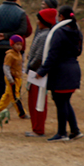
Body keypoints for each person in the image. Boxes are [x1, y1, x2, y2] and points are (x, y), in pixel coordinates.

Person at [36, 5, 83, 142]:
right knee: (65, 101)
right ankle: (75, 130)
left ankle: (62, 133)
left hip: (61, 72)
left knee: (61, 103)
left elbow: (53, 54)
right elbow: (78, 51)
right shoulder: (77, 31)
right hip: (73, 69)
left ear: (61, 17)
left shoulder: (59, 32)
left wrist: (42, 71)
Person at [0, 0, 32, 110]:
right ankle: (15, 97)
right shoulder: (21, 12)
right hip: (15, 48)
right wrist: (10, 36)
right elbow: (23, 30)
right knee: (16, 73)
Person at [24, 8, 56, 137]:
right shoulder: (45, 34)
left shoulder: (44, 36)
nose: (37, 22)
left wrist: (30, 67)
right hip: (38, 73)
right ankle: (36, 127)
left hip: (37, 73)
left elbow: (38, 57)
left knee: (37, 101)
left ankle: (38, 128)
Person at [0, 35, 27, 118]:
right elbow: (6, 67)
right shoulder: (10, 55)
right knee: (15, 96)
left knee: (8, 95)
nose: (19, 46)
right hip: (12, 78)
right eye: (17, 44)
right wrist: (10, 79)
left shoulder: (19, 54)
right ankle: (22, 113)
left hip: (18, 78)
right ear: (12, 45)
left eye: (20, 44)